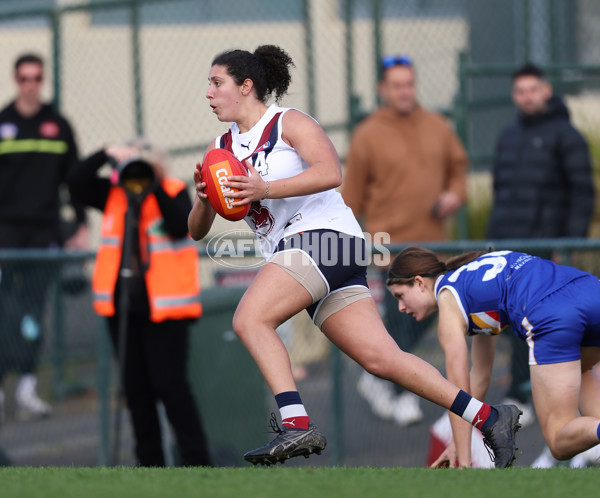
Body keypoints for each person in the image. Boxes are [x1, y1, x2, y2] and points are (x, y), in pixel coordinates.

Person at [188, 44, 521, 468]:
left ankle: (295, 423)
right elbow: (196, 230)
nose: (209, 93)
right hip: (309, 255)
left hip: (324, 239)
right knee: (383, 359)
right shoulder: (220, 148)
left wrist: (264, 189)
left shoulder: (286, 122)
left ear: (247, 86)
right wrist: (203, 200)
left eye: (217, 83)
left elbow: (331, 172)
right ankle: (490, 417)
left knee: (250, 318)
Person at [341, 54, 468, 426]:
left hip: (433, 249)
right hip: (391, 250)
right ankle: (396, 390)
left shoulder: (438, 126)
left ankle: (378, 377)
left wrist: (454, 195)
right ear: (383, 89)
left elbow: (458, 171)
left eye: (409, 84)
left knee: (434, 311)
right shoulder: (368, 134)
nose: (404, 91)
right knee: (401, 320)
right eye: (397, 85)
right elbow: (351, 199)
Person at [387, 247, 600, 467]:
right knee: (582, 371)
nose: (401, 307)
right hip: (591, 291)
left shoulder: (448, 300)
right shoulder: (469, 282)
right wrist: (456, 445)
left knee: (558, 441)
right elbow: (478, 377)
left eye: (400, 296)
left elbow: (457, 392)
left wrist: (464, 463)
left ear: (420, 283)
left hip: (553, 312)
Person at [69, 139, 212, 467]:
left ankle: (197, 462)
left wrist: (154, 184)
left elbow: (179, 226)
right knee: (136, 392)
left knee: (171, 388)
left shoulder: (173, 190)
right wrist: (107, 153)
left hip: (166, 310)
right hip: (122, 308)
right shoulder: (114, 195)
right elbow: (76, 182)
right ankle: (149, 466)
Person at [487, 62, 595, 426]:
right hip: (508, 248)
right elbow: (500, 194)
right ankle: (521, 388)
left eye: (533, 89)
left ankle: (542, 395)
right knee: (510, 321)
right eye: (520, 91)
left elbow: (582, 191)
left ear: (546, 91)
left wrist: (568, 244)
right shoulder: (507, 136)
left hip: (545, 250)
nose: (527, 96)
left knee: (541, 322)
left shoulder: (566, 135)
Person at [0, 53, 88, 420]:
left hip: (45, 235)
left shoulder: (58, 125)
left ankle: (27, 388)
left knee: (33, 315)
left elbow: (76, 180)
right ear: (15, 80)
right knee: (7, 313)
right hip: (6, 236)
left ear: (43, 80)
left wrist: (81, 223)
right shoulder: (2, 123)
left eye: (36, 78)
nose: (30, 84)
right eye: (24, 78)